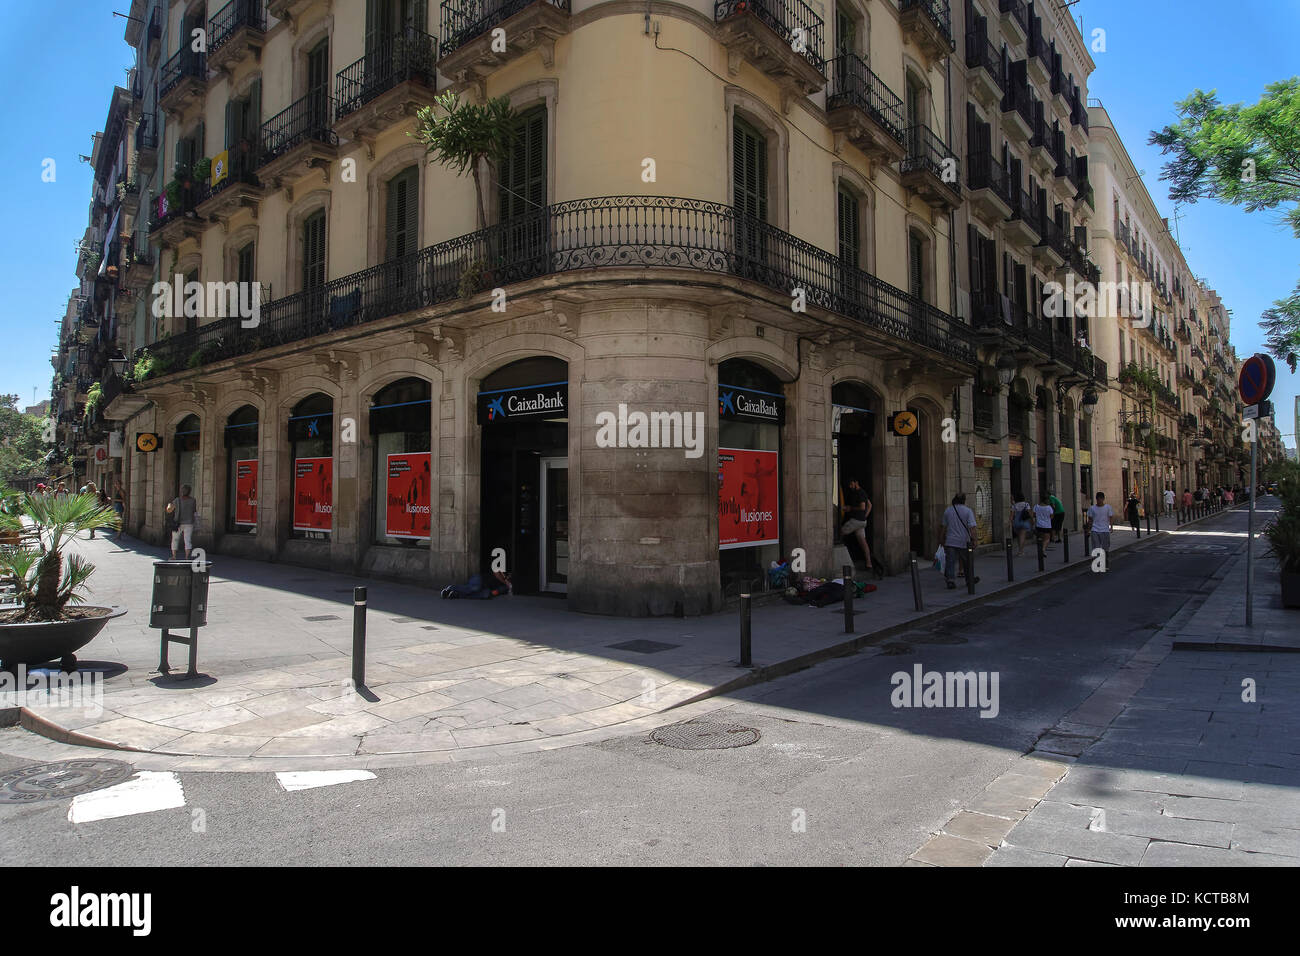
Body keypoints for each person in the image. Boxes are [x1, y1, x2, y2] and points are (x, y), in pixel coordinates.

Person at [839, 479, 881, 579]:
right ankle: (869, 564)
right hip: (862, 522)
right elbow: (869, 505)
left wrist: (850, 508)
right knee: (863, 542)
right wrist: (864, 517)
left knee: (838, 534)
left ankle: (839, 559)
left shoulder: (859, 493)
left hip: (856, 521)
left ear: (856, 482)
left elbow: (862, 507)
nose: (850, 486)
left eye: (851, 483)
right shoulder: (863, 492)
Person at [937, 493, 978, 590]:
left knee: (950, 561)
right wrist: (975, 540)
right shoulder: (968, 511)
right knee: (967, 561)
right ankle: (969, 580)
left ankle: (950, 580)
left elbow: (943, 526)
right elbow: (972, 527)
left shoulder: (948, 510)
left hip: (950, 541)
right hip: (964, 541)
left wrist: (941, 538)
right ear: (964, 500)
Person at [167, 484, 198, 560]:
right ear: (189, 492)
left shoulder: (177, 500)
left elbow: (169, 510)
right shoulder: (193, 500)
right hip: (189, 523)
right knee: (187, 540)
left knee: (175, 539)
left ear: (182, 491)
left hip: (177, 523)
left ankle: (174, 556)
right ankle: (187, 557)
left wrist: (168, 505)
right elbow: (194, 511)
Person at [1085, 492, 1115, 565]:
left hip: (1105, 530)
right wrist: (1088, 529)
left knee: (1105, 547)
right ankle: (1098, 563)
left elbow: (1111, 517)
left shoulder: (1108, 507)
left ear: (1103, 499)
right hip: (1095, 530)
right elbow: (1090, 520)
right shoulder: (1092, 508)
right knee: (1096, 547)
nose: (1099, 501)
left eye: (1101, 499)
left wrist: (1111, 527)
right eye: (1098, 499)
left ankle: (1105, 561)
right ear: (1096, 499)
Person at [1033, 493, 1055, 559]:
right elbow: (1051, 517)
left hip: (1038, 525)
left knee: (1040, 539)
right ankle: (1043, 550)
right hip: (1047, 526)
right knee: (1047, 539)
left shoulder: (1036, 506)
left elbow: (1034, 515)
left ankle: (1041, 550)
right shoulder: (1049, 507)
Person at [1010, 492, 1032, 557]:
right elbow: (1030, 513)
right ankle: (1021, 551)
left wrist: (1010, 523)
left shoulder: (1014, 505)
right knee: (1022, 536)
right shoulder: (1026, 504)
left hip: (1016, 522)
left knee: (1018, 537)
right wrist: (1032, 521)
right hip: (1024, 522)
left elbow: (1011, 515)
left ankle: (1020, 550)